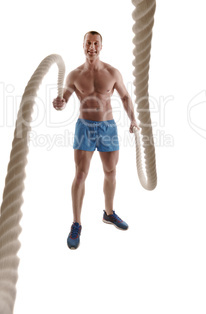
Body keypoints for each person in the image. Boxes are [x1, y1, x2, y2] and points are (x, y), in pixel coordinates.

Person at [53, 31, 139, 250]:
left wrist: (133, 121)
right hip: (84, 128)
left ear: (101, 46)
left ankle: (109, 214)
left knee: (111, 171)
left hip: (108, 127)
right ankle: (76, 223)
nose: (92, 47)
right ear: (83, 45)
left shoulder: (112, 72)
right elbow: (64, 98)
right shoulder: (74, 74)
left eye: (96, 43)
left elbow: (126, 97)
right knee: (80, 175)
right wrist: (59, 103)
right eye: (88, 43)